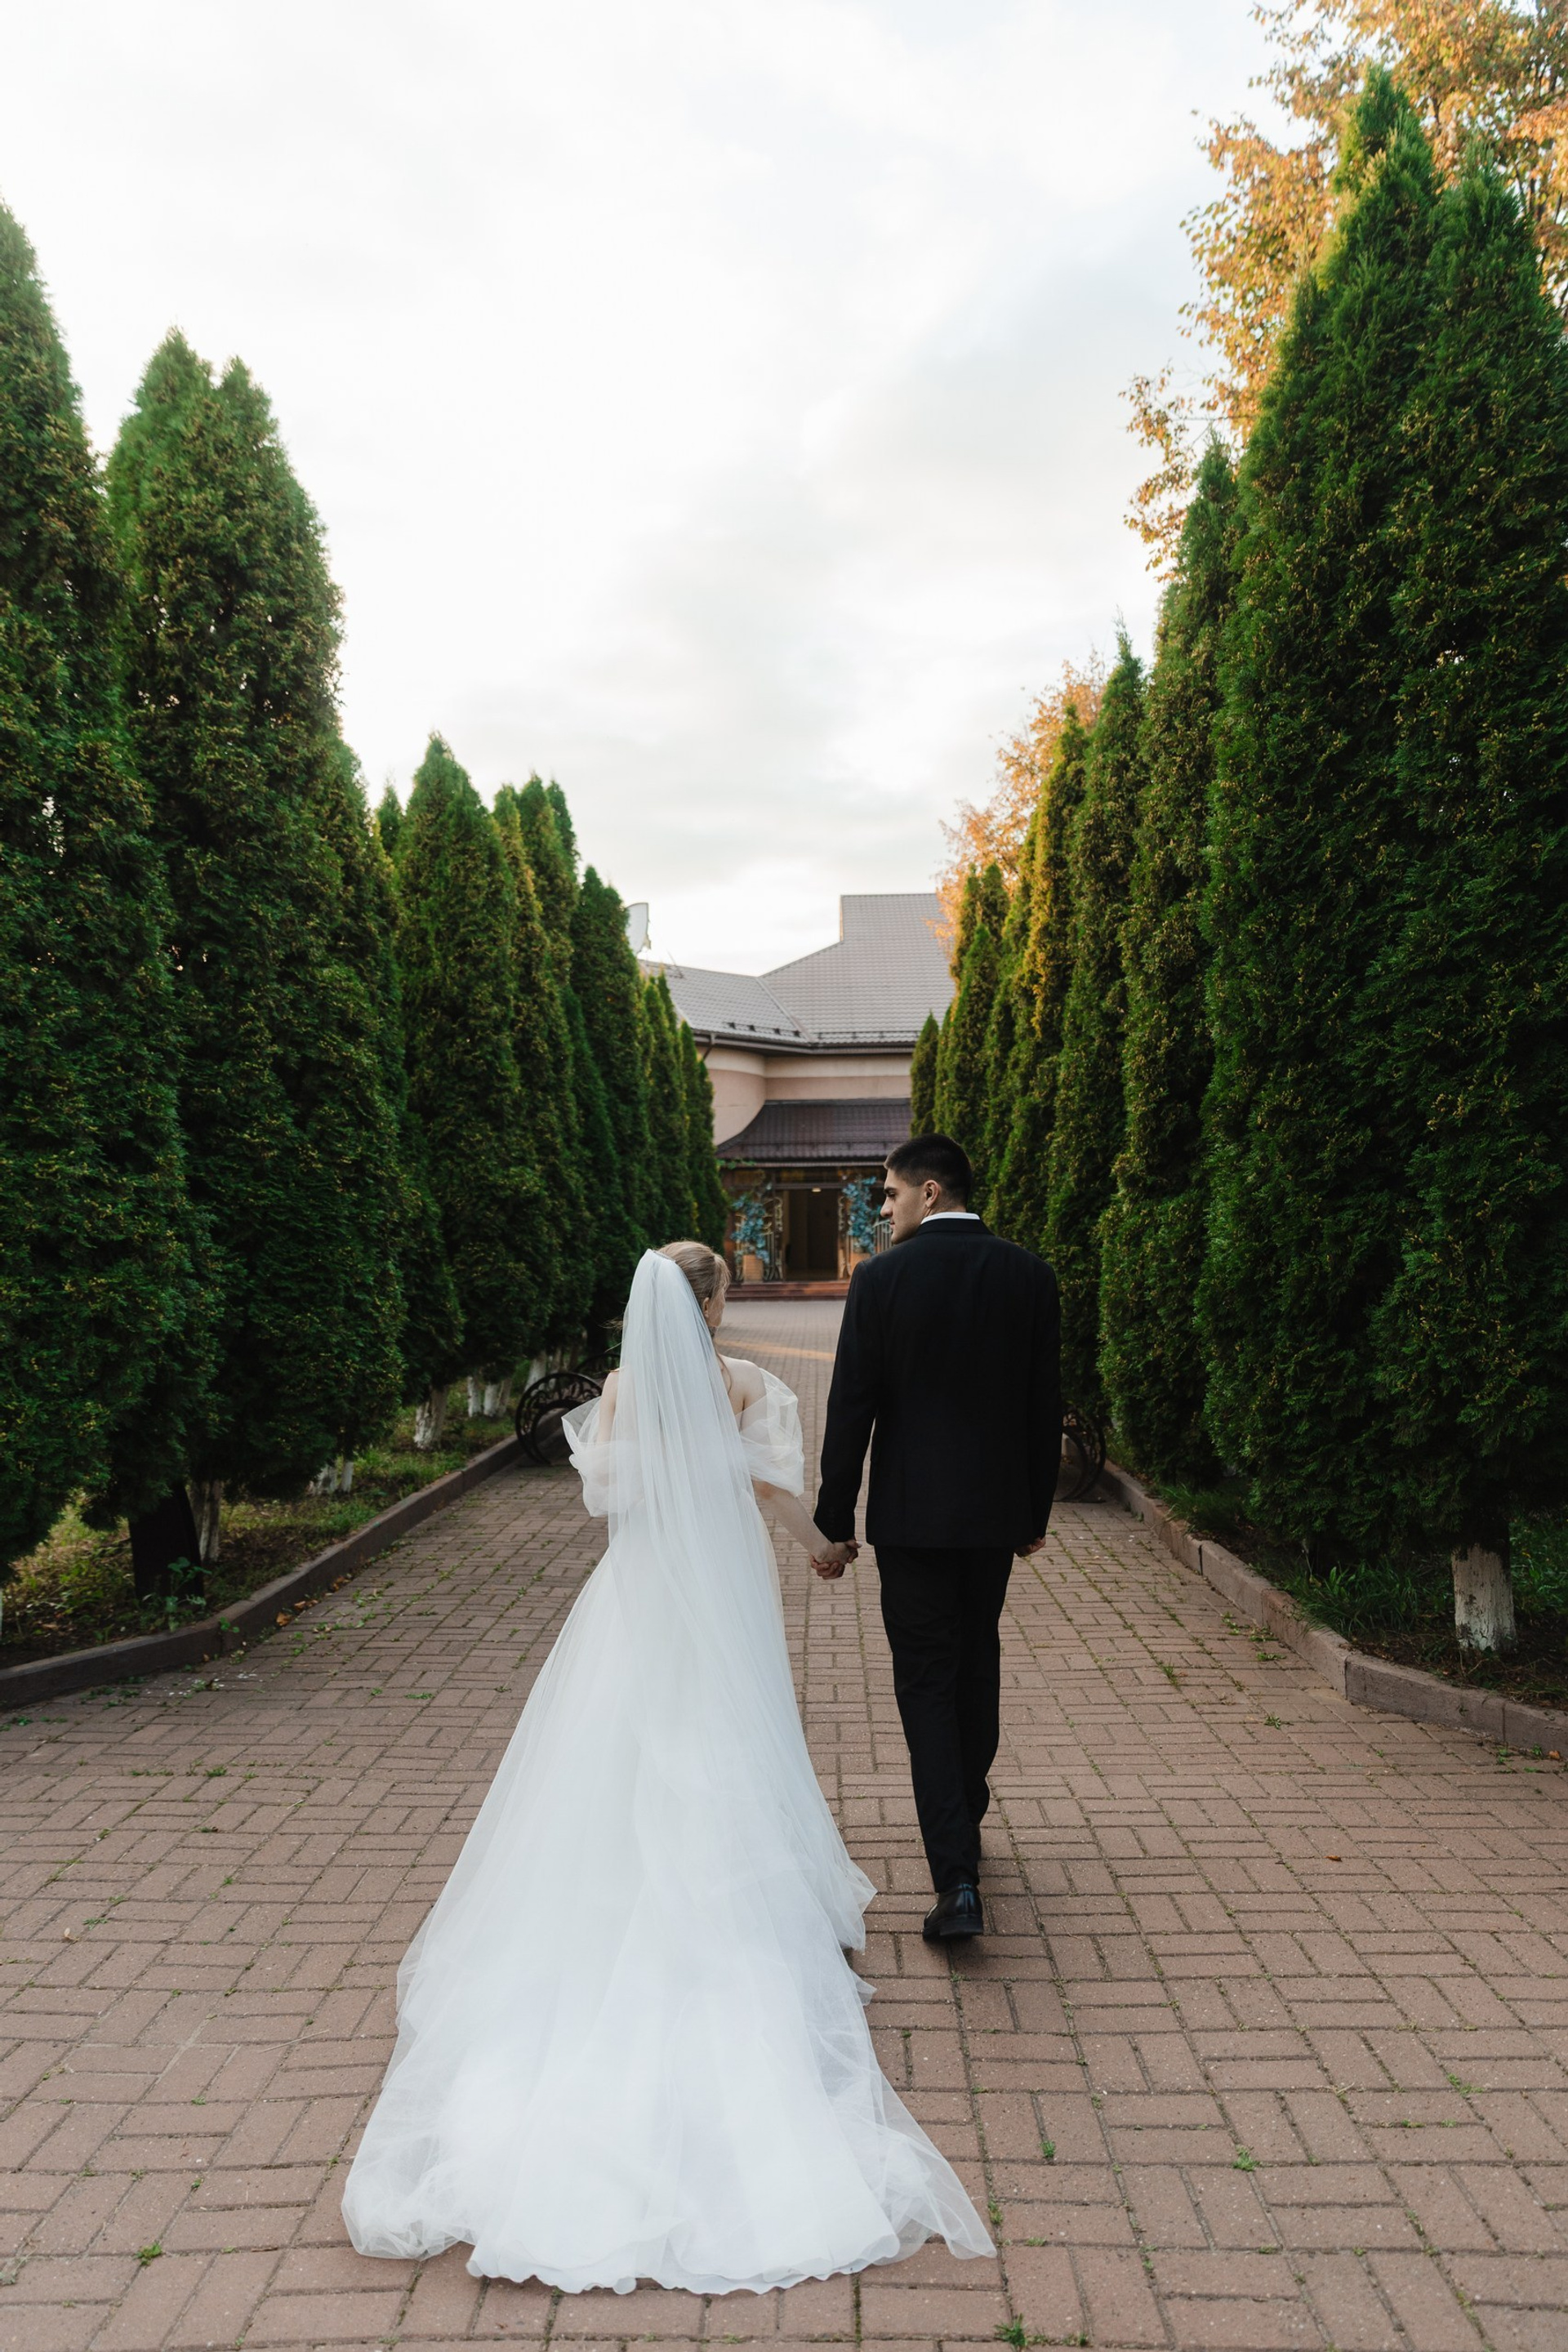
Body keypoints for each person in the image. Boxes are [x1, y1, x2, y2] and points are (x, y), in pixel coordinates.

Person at [341, 1241, 991, 2293]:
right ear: (714, 1304)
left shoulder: (621, 1391)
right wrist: (826, 1547)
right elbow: (776, 1490)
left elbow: (604, 1501)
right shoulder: (743, 1386)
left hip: (639, 1597)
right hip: (723, 1595)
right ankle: (733, 1903)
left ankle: (608, 1903)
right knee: (727, 1738)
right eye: (725, 1290)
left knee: (624, 1742)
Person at [813, 1135, 1061, 1944]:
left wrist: (833, 1521)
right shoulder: (1029, 1275)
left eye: (889, 1194)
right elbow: (1043, 1403)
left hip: (912, 1520)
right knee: (975, 1660)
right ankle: (965, 1814)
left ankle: (956, 1880)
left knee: (926, 1681)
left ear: (928, 1191)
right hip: (993, 1517)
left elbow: (851, 1407)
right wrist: (1034, 1513)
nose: (884, 1209)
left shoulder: (881, 1280)